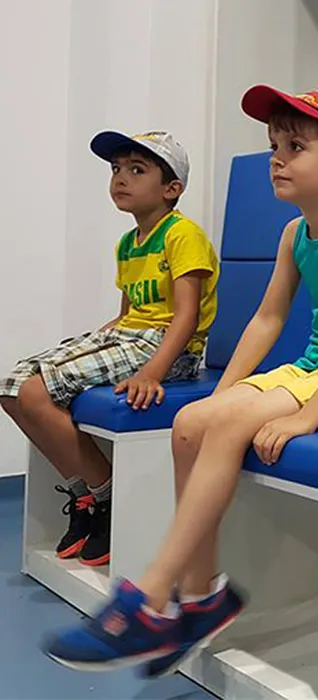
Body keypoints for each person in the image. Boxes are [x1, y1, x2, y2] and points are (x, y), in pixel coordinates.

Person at [43, 86, 318, 676]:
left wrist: (308, 415)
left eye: (295, 147)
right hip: (316, 369)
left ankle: (152, 596)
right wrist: (225, 395)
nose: (277, 159)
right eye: (274, 146)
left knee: (222, 425)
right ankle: (202, 599)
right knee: (192, 422)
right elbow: (268, 319)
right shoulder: (295, 234)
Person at [0, 130, 217, 568]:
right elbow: (126, 315)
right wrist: (88, 343)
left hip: (169, 348)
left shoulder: (182, 235)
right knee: (11, 387)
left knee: (35, 392)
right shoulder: (127, 243)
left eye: (137, 170)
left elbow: (186, 317)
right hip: (129, 337)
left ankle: (109, 498)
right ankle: (85, 495)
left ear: (172, 188)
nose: (121, 178)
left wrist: (153, 372)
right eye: (117, 169)